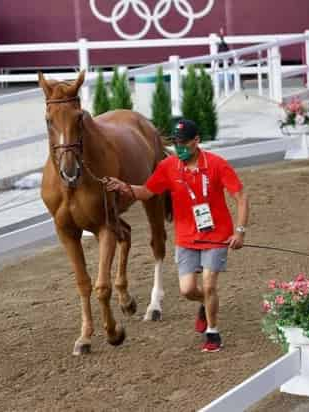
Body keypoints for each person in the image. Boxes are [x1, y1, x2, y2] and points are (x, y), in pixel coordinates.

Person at [106, 119, 249, 353]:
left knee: (209, 284)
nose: (180, 148)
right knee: (187, 290)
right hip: (186, 238)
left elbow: (241, 196)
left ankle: (213, 333)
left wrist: (240, 231)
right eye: (176, 143)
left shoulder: (216, 164)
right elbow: (146, 192)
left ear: (196, 141)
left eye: (184, 143)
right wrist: (124, 187)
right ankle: (204, 303)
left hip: (216, 235)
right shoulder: (168, 166)